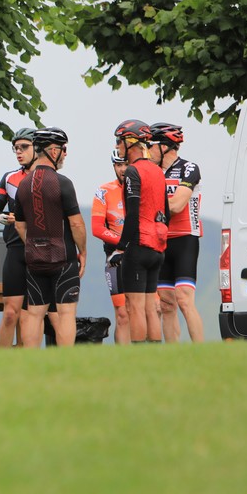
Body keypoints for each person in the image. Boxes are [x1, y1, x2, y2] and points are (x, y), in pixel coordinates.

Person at [12, 127, 86, 348]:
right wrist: (82, 251)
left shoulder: (23, 183)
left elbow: (19, 225)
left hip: (34, 258)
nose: (65, 154)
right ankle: (65, 359)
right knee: (66, 312)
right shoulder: (62, 182)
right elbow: (76, 223)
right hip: (63, 257)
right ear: (53, 151)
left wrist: (32, 245)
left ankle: (31, 360)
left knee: (34, 313)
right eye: (63, 149)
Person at [109, 121, 169, 344]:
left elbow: (132, 215)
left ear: (131, 142)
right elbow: (166, 212)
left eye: (119, 141)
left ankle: (139, 354)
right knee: (150, 307)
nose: (117, 145)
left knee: (134, 307)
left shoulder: (133, 171)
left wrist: (120, 248)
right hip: (158, 246)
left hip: (138, 245)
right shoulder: (157, 170)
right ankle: (154, 354)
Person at [149, 122, 205, 343]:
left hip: (185, 239)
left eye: (150, 146)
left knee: (184, 299)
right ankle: (174, 353)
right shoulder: (152, 172)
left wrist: (150, 207)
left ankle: (200, 351)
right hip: (161, 241)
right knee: (166, 303)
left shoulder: (188, 168)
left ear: (164, 147)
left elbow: (177, 205)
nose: (147, 151)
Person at [0, 127, 36, 348]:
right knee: (10, 314)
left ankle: (30, 362)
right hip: (15, 249)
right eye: (15, 148)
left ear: (37, 148)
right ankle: (2, 361)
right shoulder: (9, 178)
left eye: (24, 147)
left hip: (39, 251)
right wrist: (2, 217)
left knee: (30, 315)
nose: (19, 152)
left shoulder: (47, 177)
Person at [91, 150, 130, 345]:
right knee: (122, 314)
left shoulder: (144, 188)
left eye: (126, 164)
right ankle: (124, 358)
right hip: (116, 257)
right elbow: (97, 228)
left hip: (142, 255)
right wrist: (123, 243)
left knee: (152, 309)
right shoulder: (104, 191)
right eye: (118, 165)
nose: (123, 169)